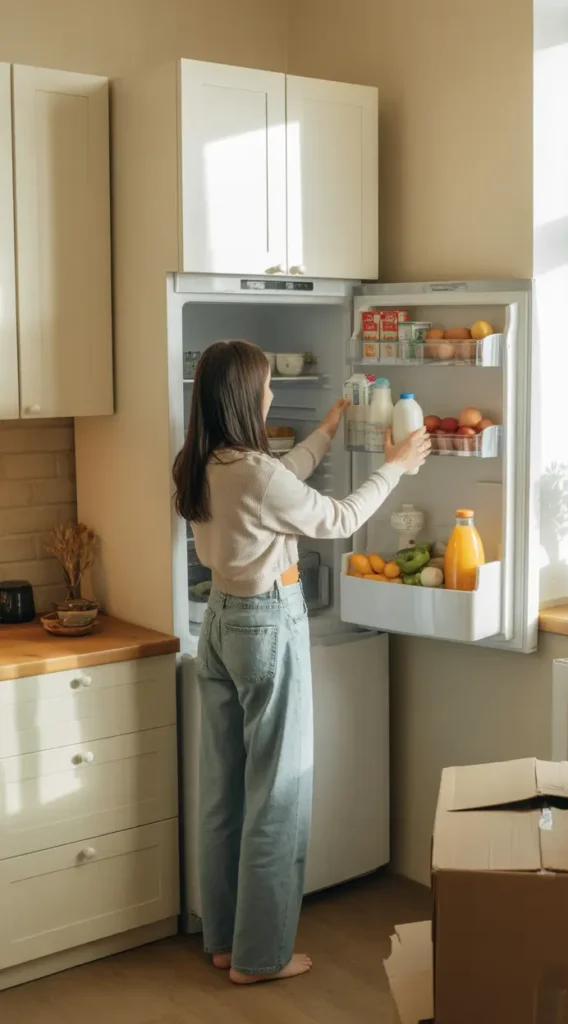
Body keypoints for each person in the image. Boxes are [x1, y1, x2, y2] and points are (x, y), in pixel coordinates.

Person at [172, 339, 429, 986]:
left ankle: (225, 941)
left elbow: (278, 477)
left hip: (221, 625)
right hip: (267, 625)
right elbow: (337, 517)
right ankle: (260, 958)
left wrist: (327, 429)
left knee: (224, 793)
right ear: (244, 395)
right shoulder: (255, 475)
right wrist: (394, 467)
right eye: (264, 386)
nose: (270, 394)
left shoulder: (203, 461)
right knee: (277, 795)